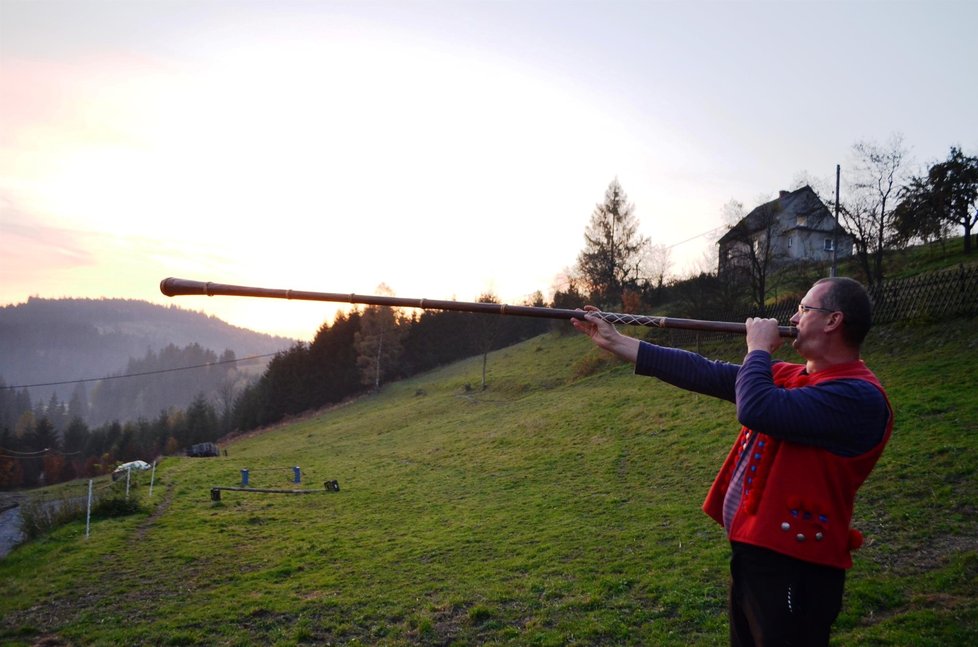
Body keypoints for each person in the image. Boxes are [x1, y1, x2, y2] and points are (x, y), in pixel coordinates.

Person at [571, 276, 892, 646]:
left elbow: (756, 407)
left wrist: (757, 349)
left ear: (833, 321)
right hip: (757, 558)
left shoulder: (858, 397)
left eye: (803, 309)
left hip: (798, 568)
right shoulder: (792, 377)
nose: (793, 316)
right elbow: (703, 371)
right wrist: (615, 340)